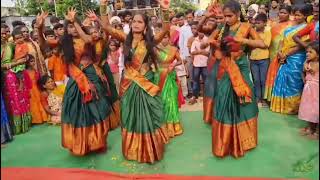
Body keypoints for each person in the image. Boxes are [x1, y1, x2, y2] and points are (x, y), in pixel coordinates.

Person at [90, 0, 171, 163]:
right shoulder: (124, 39)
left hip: (145, 84)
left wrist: (165, 10)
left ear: (146, 26)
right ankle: (134, 149)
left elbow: (166, 29)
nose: (136, 24)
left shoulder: (150, 41)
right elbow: (106, 28)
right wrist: (103, 7)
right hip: (128, 84)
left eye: (140, 22)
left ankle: (150, 149)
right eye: (134, 21)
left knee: (149, 115)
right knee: (130, 116)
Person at [206, 0, 265, 158]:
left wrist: (242, 41)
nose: (226, 19)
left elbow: (262, 43)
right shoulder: (221, 28)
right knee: (224, 100)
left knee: (246, 101)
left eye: (230, 16)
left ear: (238, 14)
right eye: (224, 16)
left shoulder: (246, 28)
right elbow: (207, 42)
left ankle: (245, 139)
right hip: (225, 68)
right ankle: (226, 141)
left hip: (241, 69)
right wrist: (214, 44)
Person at [270, 5, 309, 114]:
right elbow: (282, 41)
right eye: (294, 14)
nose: (296, 17)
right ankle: (282, 106)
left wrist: (286, 54)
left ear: (305, 16)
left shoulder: (306, 28)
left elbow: (301, 46)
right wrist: (280, 52)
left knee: (294, 81)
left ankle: (293, 108)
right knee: (284, 79)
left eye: (298, 15)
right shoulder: (289, 27)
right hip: (284, 56)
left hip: (297, 58)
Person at [1, 26, 32, 135]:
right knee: (13, 100)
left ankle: (24, 125)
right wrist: (17, 63)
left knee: (20, 97)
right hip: (8, 76)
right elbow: (5, 64)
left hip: (16, 74)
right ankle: (14, 128)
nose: (4, 35)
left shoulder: (12, 45)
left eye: (5, 33)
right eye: (2, 33)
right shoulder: (9, 46)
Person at [154, 32, 183, 138]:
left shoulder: (173, 49)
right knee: (161, 100)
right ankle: (163, 125)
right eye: (161, 38)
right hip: (159, 76)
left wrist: (173, 64)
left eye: (165, 38)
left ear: (169, 38)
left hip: (170, 76)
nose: (163, 40)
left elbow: (180, 61)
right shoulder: (155, 49)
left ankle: (173, 126)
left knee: (171, 100)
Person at [264, 5, 293, 102]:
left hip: (284, 53)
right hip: (271, 52)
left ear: (289, 14)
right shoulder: (272, 23)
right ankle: (270, 98)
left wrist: (284, 53)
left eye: (285, 13)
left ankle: (279, 99)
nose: (282, 14)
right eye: (281, 12)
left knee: (280, 74)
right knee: (270, 73)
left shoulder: (292, 25)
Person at [249, 13, 272, 107]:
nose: (256, 24)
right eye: (255, 23)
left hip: (264, 59)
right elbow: (249, 44)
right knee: (256, 80)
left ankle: (264, 99)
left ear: (265, 23)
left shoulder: (267, 32)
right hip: (253, 59)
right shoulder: (252, 31)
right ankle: (258, 98)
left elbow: (266, 45)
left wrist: (255, 43)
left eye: (258, 23)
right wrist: (258, 43)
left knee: (263, 80)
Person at [298, 41, 319, 139]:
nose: (307, 54)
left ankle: (317, 132)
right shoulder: (307, 63)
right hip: (308, 91)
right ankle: (311, 128)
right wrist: (305, 81)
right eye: (307, 52)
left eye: (311, 52)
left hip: (317, 92)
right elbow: (302, 73)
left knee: (317, 111)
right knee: (309, 110)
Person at [25, 54, 48, 124]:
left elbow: (38, 81)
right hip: (30, 90)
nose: (34, 63)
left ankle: (41, 118)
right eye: (31, 61)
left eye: (34, 61)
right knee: (32, 104)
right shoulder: (25, 72)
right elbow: (26, 83)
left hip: (36, 90)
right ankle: (35, 120)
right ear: (27, 63)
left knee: (38, 102)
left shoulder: (35, 71)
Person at [189, 30, 210, 105]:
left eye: (202, 31)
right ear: (198, 32)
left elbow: (208, 53)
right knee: (195, 81)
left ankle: (207, 97)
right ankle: (194, 96)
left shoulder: (207, 40)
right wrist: (202, 51)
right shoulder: (195, 41)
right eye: (199, 31)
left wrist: (197, 51)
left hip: (205, 64)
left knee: (206, 81)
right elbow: (192, 52)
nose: (201, 33)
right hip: (196, 64)